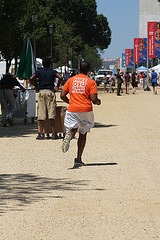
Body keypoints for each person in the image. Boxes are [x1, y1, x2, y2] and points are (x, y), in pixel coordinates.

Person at [60, 60, 101, 168]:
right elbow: (93, 98)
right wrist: (98, 102)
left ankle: (69, 136)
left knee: (72, 129)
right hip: (86, 110)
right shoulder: (91, 82)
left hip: (73, 109)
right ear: (88, 70)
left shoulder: (70, 80)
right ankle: (78, 159)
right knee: (83, 133)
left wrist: (70, 102)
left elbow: (62, 95)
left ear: (79, 69)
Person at [30, 57, 63, 140]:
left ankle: (41, 133)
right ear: (50, 64)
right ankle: (53, 133)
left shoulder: (39, 71)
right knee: (51, 113)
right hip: (50, 92)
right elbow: (60, 77)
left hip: (41, 92)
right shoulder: (52, 71)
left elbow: (31, 78)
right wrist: (57, 86)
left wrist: (36, 86)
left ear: (43, 64)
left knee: (41, 113)